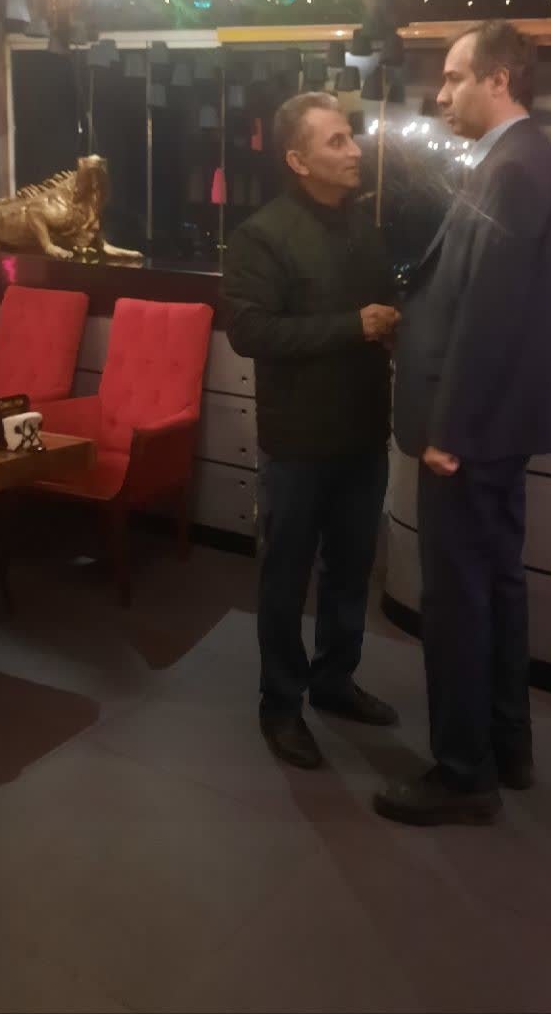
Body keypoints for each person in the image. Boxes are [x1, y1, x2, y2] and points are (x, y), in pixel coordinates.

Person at [375, 21, 551, 825]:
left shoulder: (513, 168)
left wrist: (447, 432)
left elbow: (488, 315)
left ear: (499, 79)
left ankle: (463, 775)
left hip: (470, 432)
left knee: (458, 602)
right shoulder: (520, 160)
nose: (441, 94)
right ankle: (506, 747)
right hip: (495, 428)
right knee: (497, 587)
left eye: (455, 77)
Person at [224, 91, 400, 769]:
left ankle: (334, 681)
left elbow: (383, 313)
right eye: (337, 141)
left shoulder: (365, 229)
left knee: (352, 572)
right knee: (286, 578)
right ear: (298, 161)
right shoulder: (261, 235)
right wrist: (353, 326)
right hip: (297, 443)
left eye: (351, 136)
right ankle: (280, 704)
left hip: (363, 434)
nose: (355, 150)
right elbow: (251, 332)